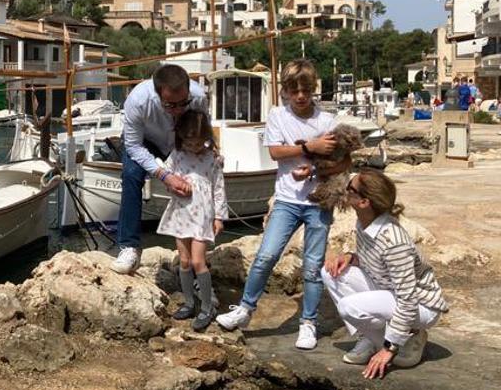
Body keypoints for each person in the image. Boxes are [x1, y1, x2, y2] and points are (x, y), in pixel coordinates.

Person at [216, 59, 340, 350]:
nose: (300, 96)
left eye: (305, 90)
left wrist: (312, 168)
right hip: (286, 199)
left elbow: (338, 159)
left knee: (312, 266)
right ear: (284, 90)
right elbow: (275, 152)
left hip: (318, 201)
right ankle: (246, 309)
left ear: (313, 89)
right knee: (265, 256)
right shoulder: (277, 115)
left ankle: (308, 323)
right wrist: (311, 148)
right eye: (294, 90)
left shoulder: (326, 121)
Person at [321, 169, 449, 378]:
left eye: (350, 188)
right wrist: (352, 257)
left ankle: (403, 339)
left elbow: (407, 298)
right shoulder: (365, 221)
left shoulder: (393, 241)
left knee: (348, 307)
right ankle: (371, 337)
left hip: (421, 305)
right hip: (390, 289)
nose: (345, 189)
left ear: (364, 202)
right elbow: (377, 262)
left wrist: (388, 349)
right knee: (329, 273)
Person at [111, 63, 208, 274]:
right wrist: (165, 176)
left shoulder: (199, 98)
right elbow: (134, 146)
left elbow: (203, 131)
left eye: (184, 103)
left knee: (196, 183)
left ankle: (195, 259)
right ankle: (130, 247)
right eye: (171, 105)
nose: (179, 110)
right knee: (131, 175)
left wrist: (210, 153)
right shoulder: (138, 101)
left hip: (182, 140)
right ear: (157, 93)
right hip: (146, 141)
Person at [156, 109, 228, 330]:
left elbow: (218, 188)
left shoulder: (211, 159)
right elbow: (164, 175)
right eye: (189, 143)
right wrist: (173, 183)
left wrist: (219, 216)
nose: (194, 148)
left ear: (206, 139)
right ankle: (189, 302)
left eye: (198, 143)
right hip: (182, 211)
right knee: (184, 261)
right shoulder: (177, 156)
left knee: (198, 261)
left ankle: (207, 306)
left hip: (202, 215)